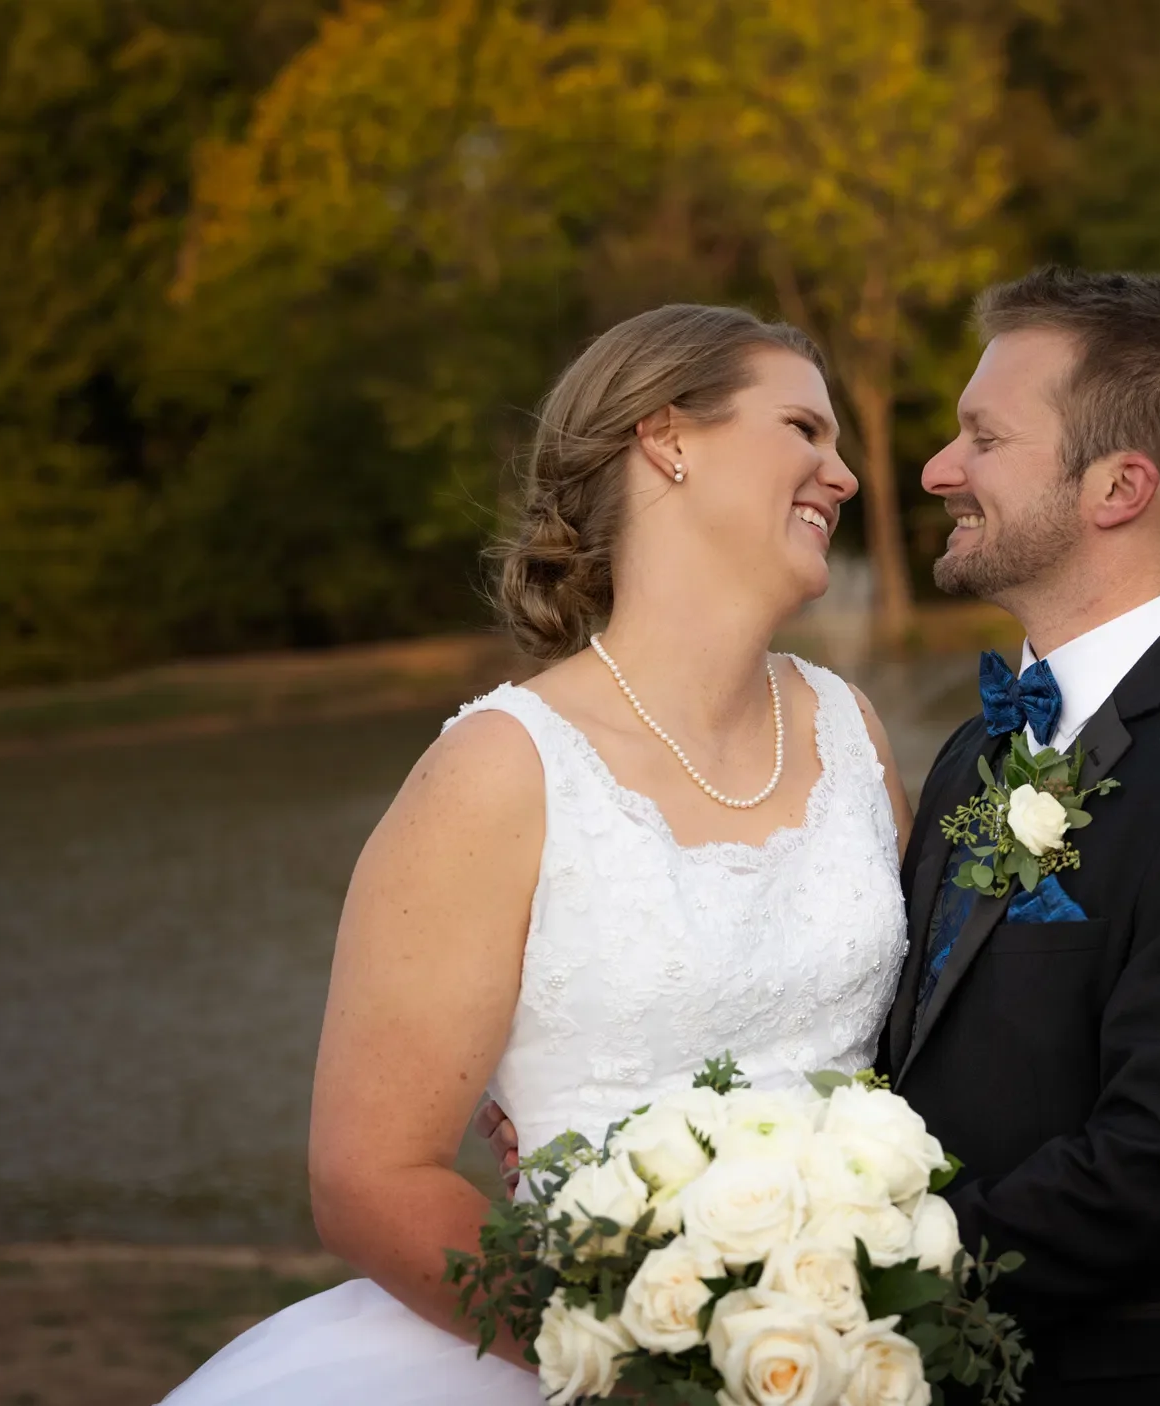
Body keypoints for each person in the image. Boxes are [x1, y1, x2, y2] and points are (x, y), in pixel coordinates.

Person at [473, 267, 1160, 1404]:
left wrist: (808, 1289)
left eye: (984, 437)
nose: (932, 469)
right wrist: (624, 1144)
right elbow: (891, 1039)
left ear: (1118, 486)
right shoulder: (975, 750)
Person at [160, 302, 916, 1404]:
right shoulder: (501, 771)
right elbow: (370, 1174)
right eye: (805, 429)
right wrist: (646, 1363)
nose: (841, 474)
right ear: (667, 438)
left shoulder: (848, 728)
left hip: (853, 1350)